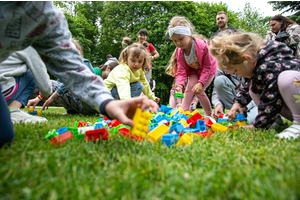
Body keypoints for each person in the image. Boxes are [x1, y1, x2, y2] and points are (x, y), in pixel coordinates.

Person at [0, 2, 158, 148]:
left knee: (4, 135)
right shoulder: (121, 70)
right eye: (134, 60)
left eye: (140, 61)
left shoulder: (47, 16)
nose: (137, 64)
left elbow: (73, 68)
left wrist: (107, 103)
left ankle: (12, 110)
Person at [209, 31, 300, 139]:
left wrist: (257, 126)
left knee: (286, 79)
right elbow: (247, 88)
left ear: (246, 59)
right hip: (290, 107)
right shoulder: (257, 66)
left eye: (236, 70)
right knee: (253, 88)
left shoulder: (269, 66)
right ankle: (275, 122)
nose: (236, 74)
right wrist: (237, 104)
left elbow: (270, 99)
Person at [166, 16, 217, 116]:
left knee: (199, 91)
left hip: (208, 70)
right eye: (175, 41)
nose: (178, 43)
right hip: (194, 71)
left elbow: (207, 67)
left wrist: (201, 83)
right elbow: (181, 71)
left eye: (181, 39)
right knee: (190, 87)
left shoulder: (202, 46)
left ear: (188, 33)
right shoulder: (179, 51)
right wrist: (180, 85)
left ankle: (209, 115)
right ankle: (183, 112)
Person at [0, 46, 51, 123]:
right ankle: (13, 111)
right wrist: (44, 95)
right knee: (32, 73)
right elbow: (45, 86)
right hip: (3, 94)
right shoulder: (31, 49)